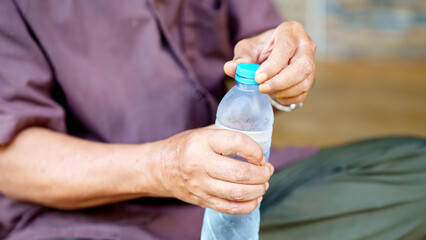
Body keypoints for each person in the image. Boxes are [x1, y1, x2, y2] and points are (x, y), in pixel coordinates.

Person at [0, 1, 425, 240]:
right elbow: (10, 161)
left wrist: (280, 64)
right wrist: (163, 167)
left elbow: (260, 42)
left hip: (237, 197)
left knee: (417, 171)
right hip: (91, 218)